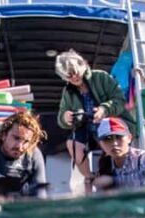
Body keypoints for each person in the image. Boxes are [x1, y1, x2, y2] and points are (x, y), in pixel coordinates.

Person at [55, 50, 136, 185]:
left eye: (75, 71)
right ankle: (89, 177)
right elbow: (60, 118)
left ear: (82, 65)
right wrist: (65, 117)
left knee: (109, 161)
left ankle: (119, 174)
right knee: (72, 144)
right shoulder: (67, 92)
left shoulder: (101, 77)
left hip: (111, 125)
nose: (74, 77)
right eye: (69, 76)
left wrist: (104, 109)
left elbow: (120, 100)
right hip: (87, 129)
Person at [92, 117, 145, 190]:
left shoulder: (143, 158)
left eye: (119, 137)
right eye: (107, 139)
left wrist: (113, 180)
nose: (114, 143)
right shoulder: (102, 165)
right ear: (100, 144)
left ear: (129, 138)